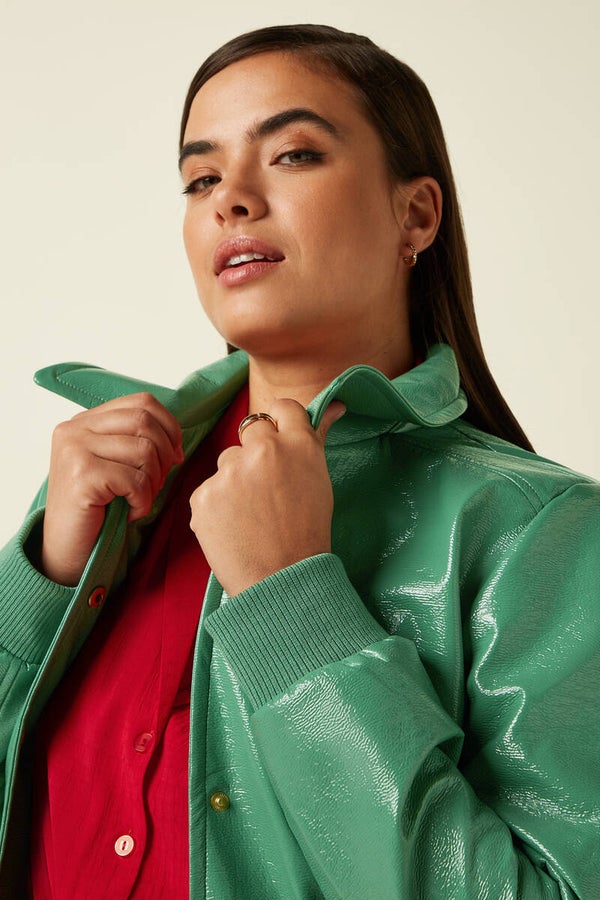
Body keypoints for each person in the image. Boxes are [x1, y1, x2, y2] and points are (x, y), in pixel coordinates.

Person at [0, 22, 598, 899]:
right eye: (201, 178)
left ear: (415, 214)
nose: (231, 201)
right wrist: (35, 593)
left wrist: (294, 607)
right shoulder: (106, 495)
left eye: (293, 155)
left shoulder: (540, 532)